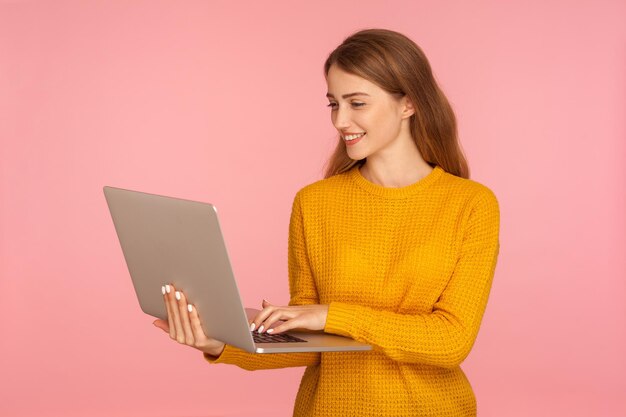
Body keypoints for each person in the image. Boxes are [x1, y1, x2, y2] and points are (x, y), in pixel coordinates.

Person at [153, 28, 500, 417]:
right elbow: (313, 344)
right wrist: (218, 342)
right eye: (334, 104)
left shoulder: (471, 204)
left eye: (357, 103)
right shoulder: (314, 203)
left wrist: (331, 314)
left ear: (409, 103)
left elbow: (451, 340)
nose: (340, 121)